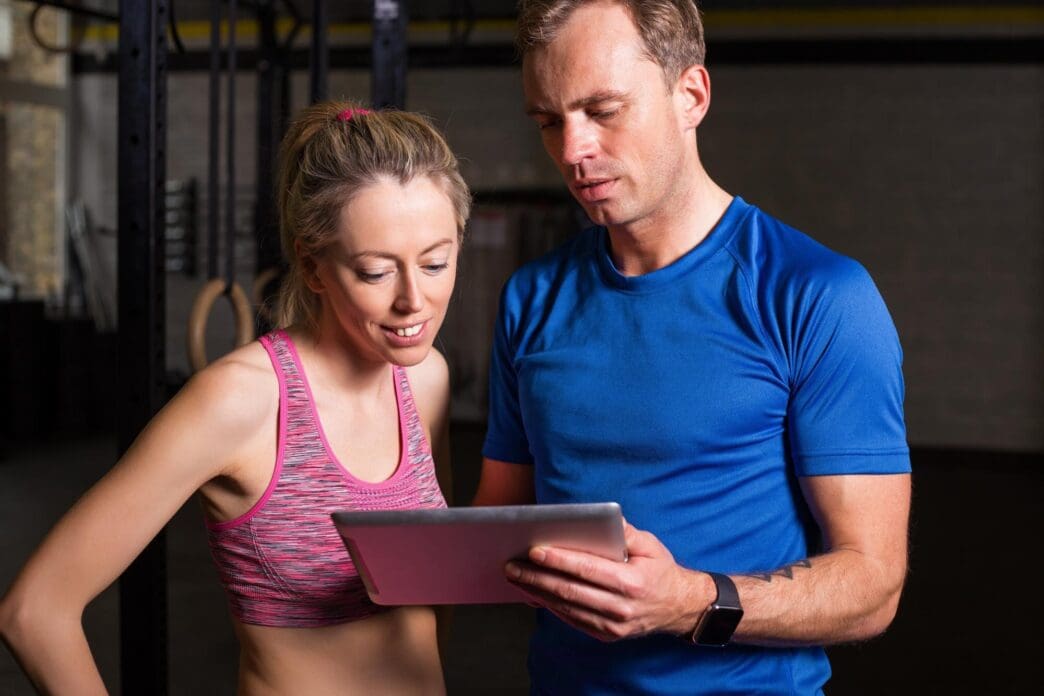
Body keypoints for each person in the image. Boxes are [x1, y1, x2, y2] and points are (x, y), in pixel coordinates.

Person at [471, 1, 912, 694]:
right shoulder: (532, 299)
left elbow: (873, 586)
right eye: (550, 121)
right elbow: (496, 526)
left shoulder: (819, 297)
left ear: (690, 95)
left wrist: (686, 602)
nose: (572, 151)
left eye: (603, 110)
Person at [0, 101, 470, 695]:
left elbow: (439, 588)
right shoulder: (242, 401)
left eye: (436, 262)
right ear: (313, 264)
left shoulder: (427, 379)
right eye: (377, 272)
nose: (415, 301)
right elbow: (36, 611)